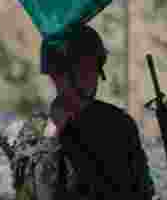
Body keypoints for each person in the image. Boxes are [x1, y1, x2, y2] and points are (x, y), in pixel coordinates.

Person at [40, 23, 155, 199]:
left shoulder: (119, 124)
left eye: (91, 68)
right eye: (85, 69)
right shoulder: (37, 131)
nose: (91, 77)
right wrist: (51, 135)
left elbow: (143, 192)